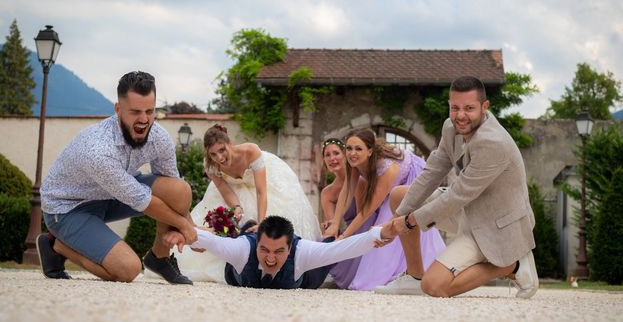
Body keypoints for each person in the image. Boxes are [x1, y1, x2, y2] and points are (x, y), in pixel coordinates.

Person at [374, 75, 539, 298]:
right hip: (466, 212)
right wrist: (397, 218)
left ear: (484, 107)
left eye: (469, 108)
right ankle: (414, 277)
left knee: (434, 287)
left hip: (494, 225)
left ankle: (512, 265)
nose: (460, 115)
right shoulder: (450, 128)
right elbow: (432, 172)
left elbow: (457, 195)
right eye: (455, 108)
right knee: (399, 197)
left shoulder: (493, 142)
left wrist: (407, 222)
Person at [37, 71, 195, 284]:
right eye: (135, 112)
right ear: (118, 109)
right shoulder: (98, 149)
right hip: (68, 208)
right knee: (128, 270)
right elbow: (142, 201)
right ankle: (57, 246)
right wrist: (184, 226)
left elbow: (173, 191)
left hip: (112, 195)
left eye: (150, 111)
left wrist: (191, 226)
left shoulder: (159, 137)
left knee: (180, 190)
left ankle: (160, 257)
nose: (144, 119)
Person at [173, 124, 322, 282]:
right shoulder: (210, 165)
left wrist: (261, 222)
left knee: (271, 218)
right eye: (213, 154)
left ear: (229, 143)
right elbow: (224, 188)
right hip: (234, 191)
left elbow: (261, 191)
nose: (219, 158)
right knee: (227, 221)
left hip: (266, 183)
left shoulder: (251, 151)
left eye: (222, 150)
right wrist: (236, 207)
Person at [324, 129, 446, 290]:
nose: (352, 153)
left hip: (413, 178)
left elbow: (368, 209)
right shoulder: (353, 161)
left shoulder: (389, 168)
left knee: (388, 223)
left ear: (370, 151)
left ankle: (403, 274)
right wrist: (335, 223)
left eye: (358, 149)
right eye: (349, 148)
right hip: (391, 184)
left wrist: (344, 237)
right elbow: (347, 192)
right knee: (379, 224)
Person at [165, 215, 394, 289]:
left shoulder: (302, 251)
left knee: (326, 253)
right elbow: (208, 239)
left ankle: (326, 235)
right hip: (239, 274)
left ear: (290, 246)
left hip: (301, 277)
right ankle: (250, 226)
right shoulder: (243, 249)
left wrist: (378, 235)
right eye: (264, 250)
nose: (271, 258)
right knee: (240, 237)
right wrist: (181, 232)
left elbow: (342, 249)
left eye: (279, 251)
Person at [320, 138, 377, 236]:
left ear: (346, 156)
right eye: (327, 155)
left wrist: (343, 238)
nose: (332, 158)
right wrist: (329, 225)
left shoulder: (359, 182)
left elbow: (363, 222)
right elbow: (333, 227)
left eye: (336, 153)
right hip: (347, 235)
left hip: (366, 231)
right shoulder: (327, 193)